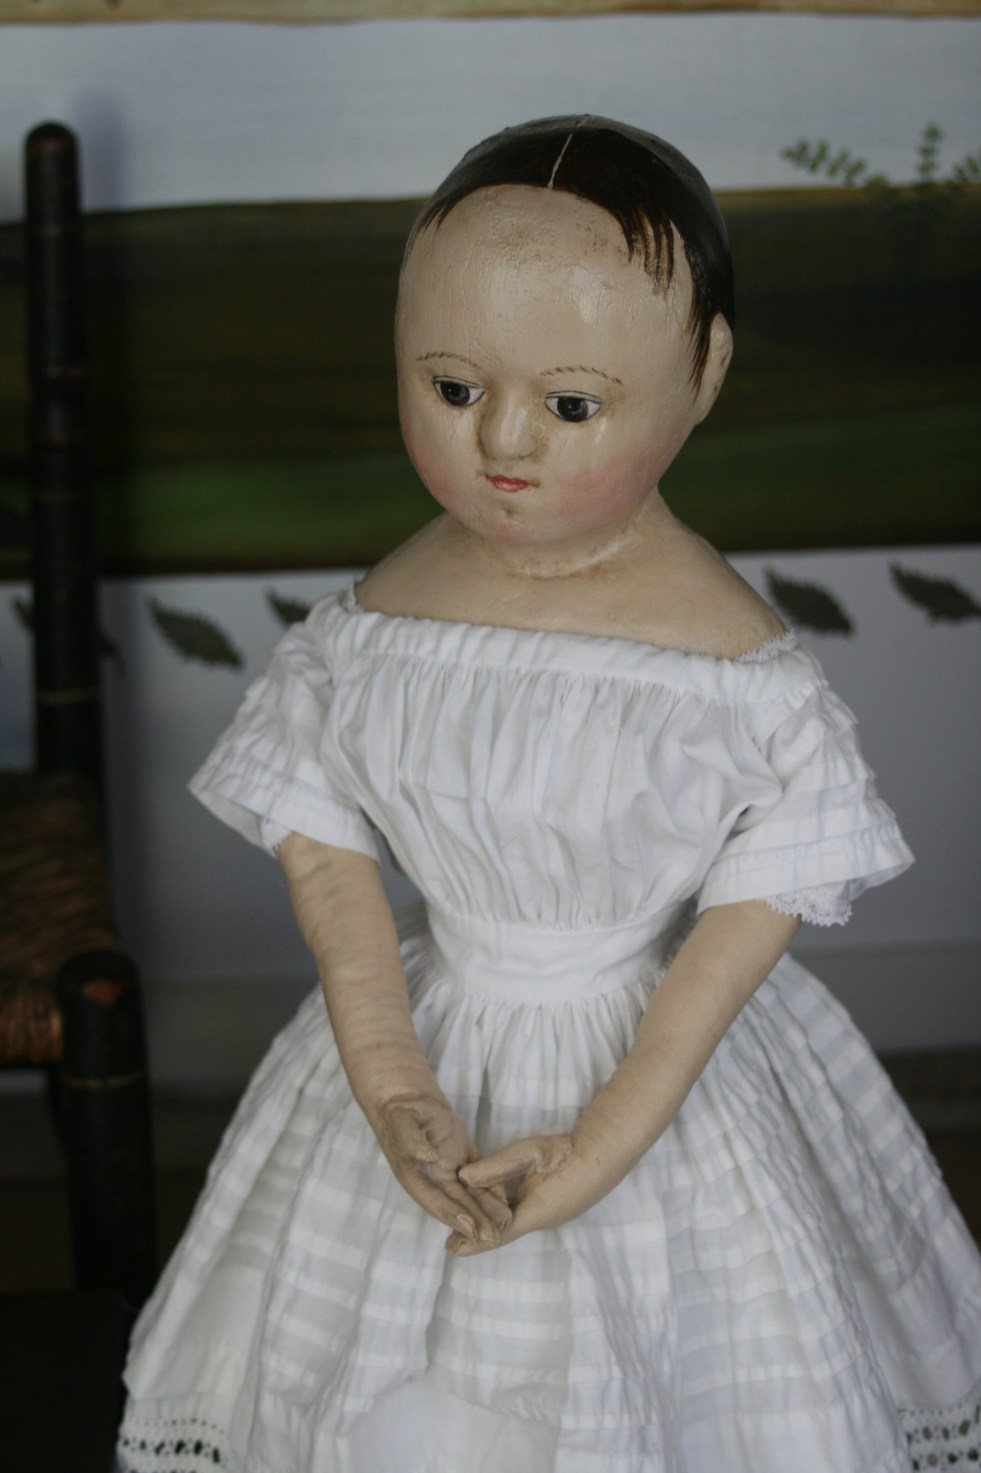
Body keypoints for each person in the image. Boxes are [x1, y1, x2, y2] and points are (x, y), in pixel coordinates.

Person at [117, 117, 981, 1473]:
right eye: (452, 386)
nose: (503, 438)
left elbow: (749, 912)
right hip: (432, 1018)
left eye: (572, 405)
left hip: (655, 1056)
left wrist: (605, 1137)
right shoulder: (369, 630)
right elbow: (323, 837)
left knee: (686, 1371)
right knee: (357, 1360)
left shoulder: (733, 671)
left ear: (703, 376)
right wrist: (388, 1070)